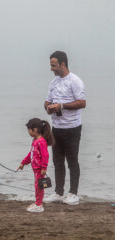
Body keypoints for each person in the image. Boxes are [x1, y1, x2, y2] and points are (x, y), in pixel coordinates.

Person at [43, 51, 86, 205]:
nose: (51, 68)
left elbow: (82, 103)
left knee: (72, 161)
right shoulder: (53, 83)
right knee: (57, 161)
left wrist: (62, 106)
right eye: (51, 65)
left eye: (53, 65)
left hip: (72, 128)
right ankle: (58, 192)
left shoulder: (75, 81)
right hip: (57, 128)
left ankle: (73, 193)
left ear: (62, 64)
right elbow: (46, 102)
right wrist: (49, 107)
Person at [17, 118, 54, 213]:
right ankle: (38, 202)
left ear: (35, 130)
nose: (28, 132)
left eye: (29, 130)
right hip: (35, 168)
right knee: (37, 186)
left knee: (39, 187)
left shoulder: (41, 142)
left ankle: (39, 205)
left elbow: (45, 155)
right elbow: (31, 154)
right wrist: (23, 163)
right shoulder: (35, 141)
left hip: (39, 169)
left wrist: (44, 167)